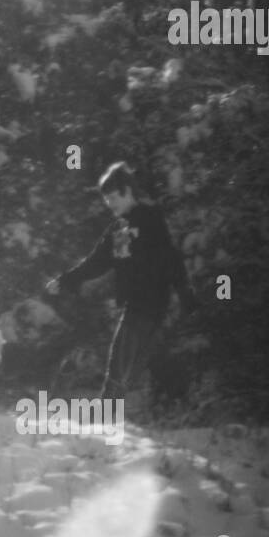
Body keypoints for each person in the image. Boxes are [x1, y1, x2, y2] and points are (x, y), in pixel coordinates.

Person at [46, 161, 197, 415]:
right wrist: (66, 279)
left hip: (150, 303)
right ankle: (111, 416)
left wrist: (185, 294)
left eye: (114, 197)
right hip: (139, 305)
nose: (111, 204)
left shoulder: (150, 219)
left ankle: (104, 415)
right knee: (130, 365)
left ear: (128, 191)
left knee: (120, 360)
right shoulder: (118, 228)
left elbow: (171, 258)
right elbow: (97, 262)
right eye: (107, 200)